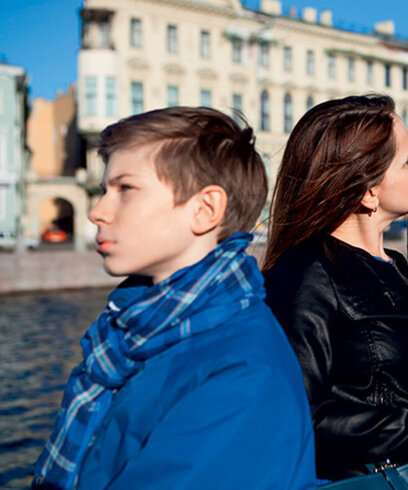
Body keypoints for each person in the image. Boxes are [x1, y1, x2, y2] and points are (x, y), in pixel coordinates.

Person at [32, 107, 316, 489]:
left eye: (125, 189)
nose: (98, 212)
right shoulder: (134, 328)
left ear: (204, 209)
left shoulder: (241, 370)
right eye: (104, 191)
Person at [262, 95, 408, 488]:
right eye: (407, 159)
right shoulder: (307, 271)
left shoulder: (398, 266)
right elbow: (297, 414)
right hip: (367, 481)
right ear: (368, 192)